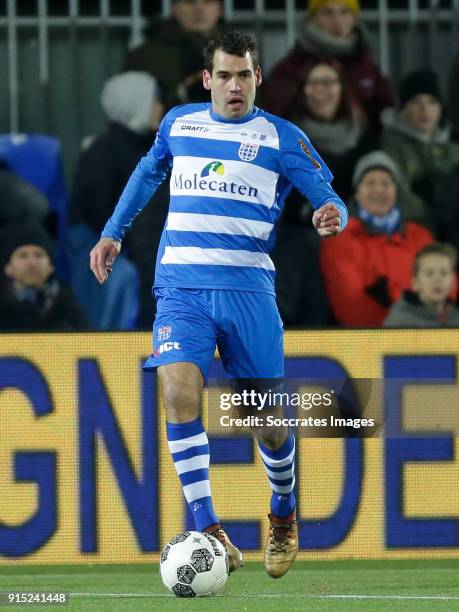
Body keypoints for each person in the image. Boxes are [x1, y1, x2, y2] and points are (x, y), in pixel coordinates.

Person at [90, 31, 347, 578]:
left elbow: (328, 195)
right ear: (207, 79)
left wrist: (331, 214)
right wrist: (113, 231)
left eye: (246, 76)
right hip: (181, 289)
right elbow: (148, 171)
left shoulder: (281, 137)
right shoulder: (179, 123)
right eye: (225, 76)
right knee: (178, 390)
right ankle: (210, 530)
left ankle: (283, 509)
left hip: (249, 293)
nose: (235, 86)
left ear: (258, 78)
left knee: (267, 424)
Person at [70, 72, 168, 328]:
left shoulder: (157, 148)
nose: (160, 108)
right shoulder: (101, 152)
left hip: (146, 242)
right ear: (135, 103)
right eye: (154, 100)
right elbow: (96, 211)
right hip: (99, 242)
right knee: (125, 274)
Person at [320, 150, 433, 327]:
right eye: (370, 183)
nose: (378, 190)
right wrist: (398, 323)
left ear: (396, 192)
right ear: (357, 193)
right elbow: (348, 304)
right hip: (369, 341)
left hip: (428, 332)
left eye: (385, 183)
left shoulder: (420, 236)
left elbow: (444, 287)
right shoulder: (340, 239)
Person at [264, 0, 393, 134]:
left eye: (344, 12)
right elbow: (278, 116)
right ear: (313, 19)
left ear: (355, 18)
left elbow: (384, 110)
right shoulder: (292, 67)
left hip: (362, 148)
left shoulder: (366, 65)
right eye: (327, 13)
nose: (337, 20)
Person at [287, 57, 375, 202]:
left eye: (328, 82)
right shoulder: (288, 139)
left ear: (342, 88)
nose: (320, 89)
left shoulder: (365, 135)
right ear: (303, 90)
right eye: (313, 83)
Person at [382, 69, 459, 230]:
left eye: (432, 102)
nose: (425, 110)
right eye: (416, 102)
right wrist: (434, 216)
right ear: (403, 108)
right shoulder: (390, 147)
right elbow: (398, 194)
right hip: (410, 229)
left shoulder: (452, 150)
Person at [124, 0, 225, 109]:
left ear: (219, 9)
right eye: (190, 2)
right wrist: (181, 92)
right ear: (174, 8)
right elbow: (130, 108)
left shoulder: (240, 53)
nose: (199, 10)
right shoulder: (143, 56)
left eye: (208, 2)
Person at [0, 224, 88, 331]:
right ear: (8, 268)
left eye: (38, 255)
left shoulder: (67, 305)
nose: (32, 263)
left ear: (51, 267)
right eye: (23, 255)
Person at [384, 243, 459, 327]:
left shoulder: (456, 317)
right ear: (415, 283)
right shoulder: (400, 321)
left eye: (444, 273)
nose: (437, 279)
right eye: (429, 274)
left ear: (453, 282)